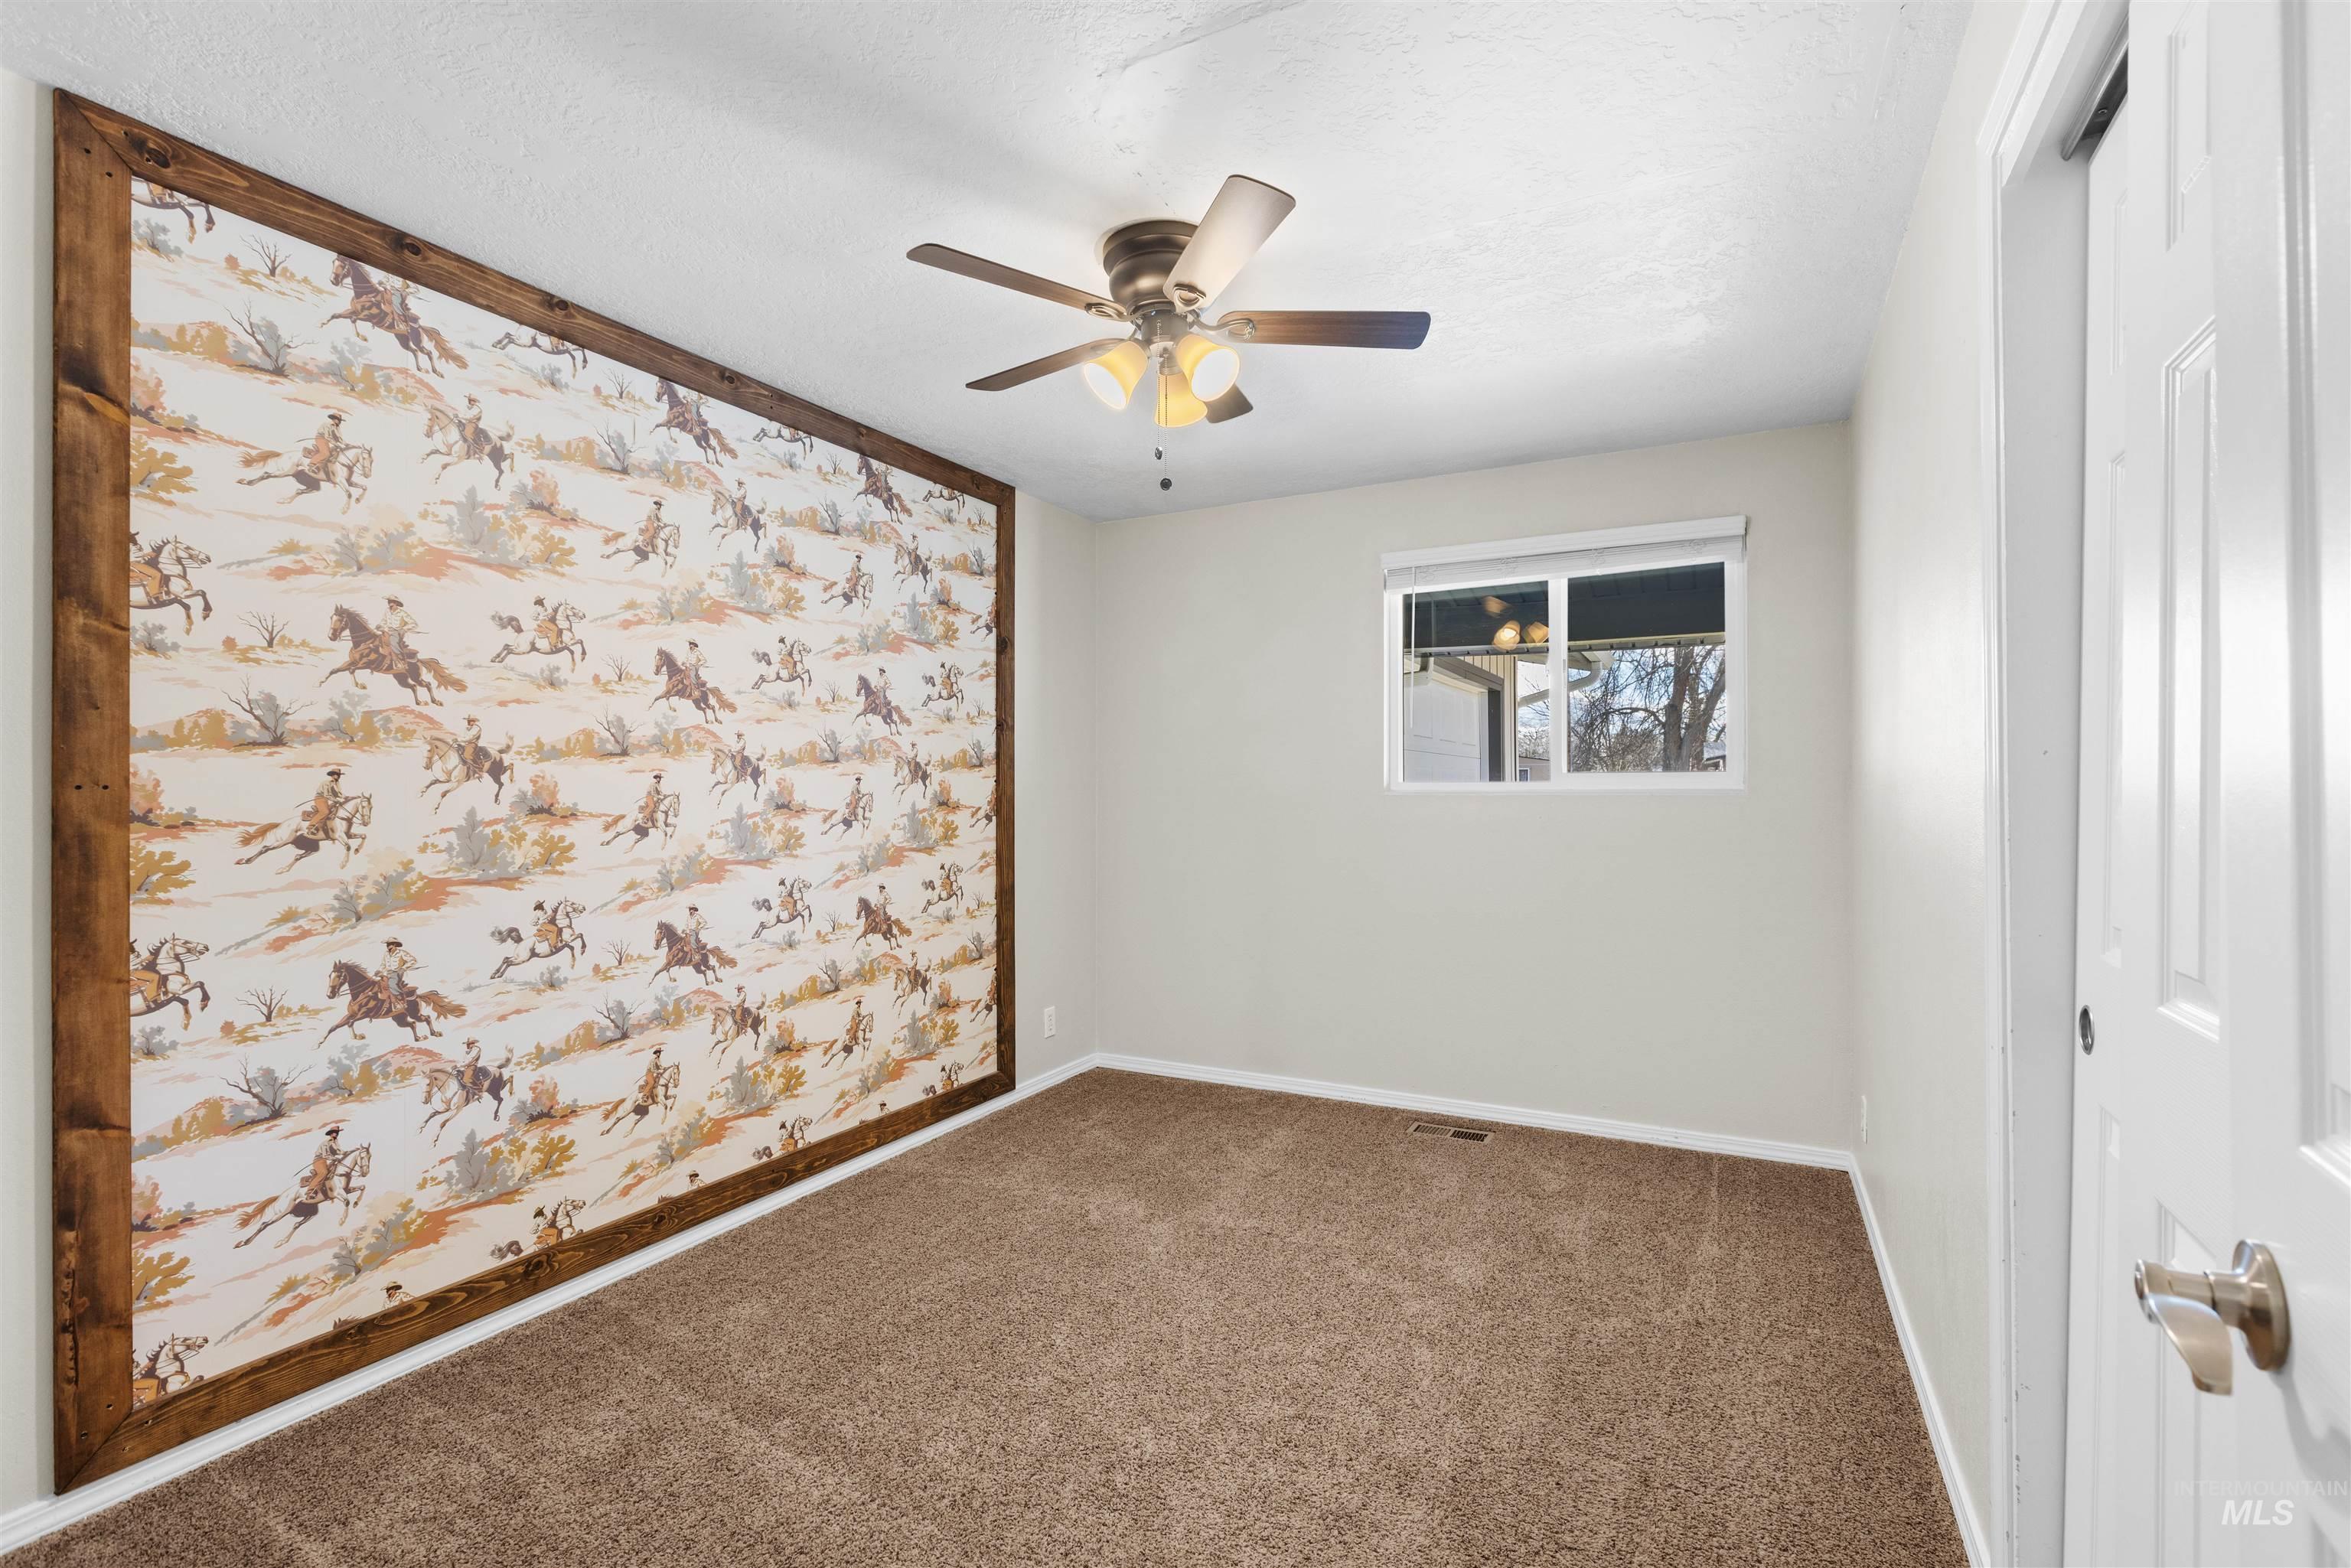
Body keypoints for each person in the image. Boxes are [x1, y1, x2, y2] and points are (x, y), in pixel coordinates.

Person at [299, 768, 347, 843]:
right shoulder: (326, 783)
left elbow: (339, 794)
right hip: (320, 798)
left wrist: (347, 798)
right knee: (325, 812)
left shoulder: (337, 784)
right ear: (332, 775)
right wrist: (337, 800)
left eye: (339, 775)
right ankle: (311, 826)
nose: (338, 776)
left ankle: (324, 829)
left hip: (327, 800)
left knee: (333, 811)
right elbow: (327, 795)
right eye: (336, 774)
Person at [302, 1125, 345, 1205]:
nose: (336, 1134)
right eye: (334, 1132)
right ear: (331, 1134)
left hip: (327, 1161)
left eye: (337, 1133)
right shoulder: (326, 1143)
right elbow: (325, 1155)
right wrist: (334, 1158)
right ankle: (310, 1191)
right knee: (324, 1172)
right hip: (319, 1160)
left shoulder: (335, 1143)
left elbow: (339, 1151)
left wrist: (347, 1153)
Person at [377, 938, 421, 1003]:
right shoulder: (386, 954)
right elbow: (383, 964)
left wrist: (403, 968)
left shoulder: (401, 953)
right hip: (387, 973)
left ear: (394, 945)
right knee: (380, 984)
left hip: (397, 973)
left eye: (390, 944)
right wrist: (379, 971)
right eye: (387, 944)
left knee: (392, 984)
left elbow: (413, 960)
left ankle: (400, 998)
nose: (388, 946)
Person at [381, 595, 418, 660]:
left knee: (393, 641)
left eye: (391, 601)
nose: (389, 602)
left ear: (396, 603)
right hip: (386, 631)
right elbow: (384, 621)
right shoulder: (387, 610)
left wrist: (404, 629)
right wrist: (379, 626)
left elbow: (414, 624)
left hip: (396, 633)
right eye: (389, 601)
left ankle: (399, 658)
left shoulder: (402, 613)